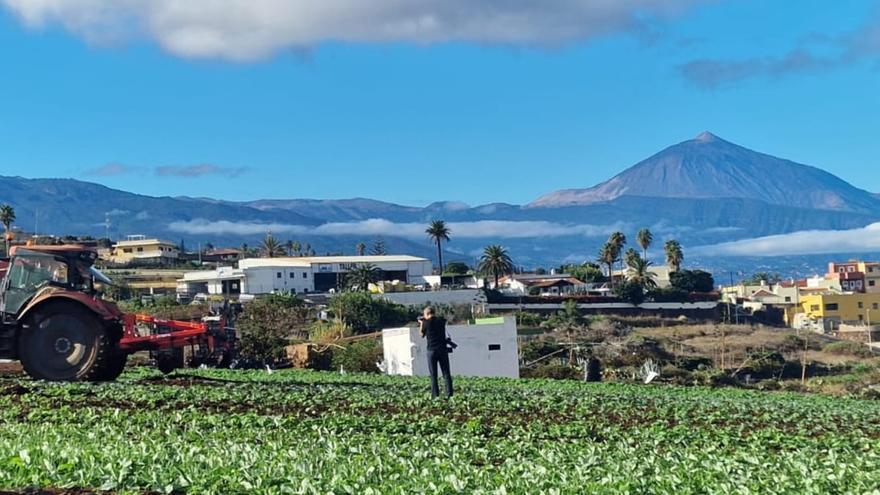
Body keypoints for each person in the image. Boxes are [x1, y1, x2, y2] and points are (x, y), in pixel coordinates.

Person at [419, 306, 453, 398]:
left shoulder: (426, 323)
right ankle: (449, 394)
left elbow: (421, 334)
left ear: (427, 314)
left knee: (433, 375)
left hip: (431, 350)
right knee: (446, 373)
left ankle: (435, 395)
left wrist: (421, 323)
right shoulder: (441, 321)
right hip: (443, 350)